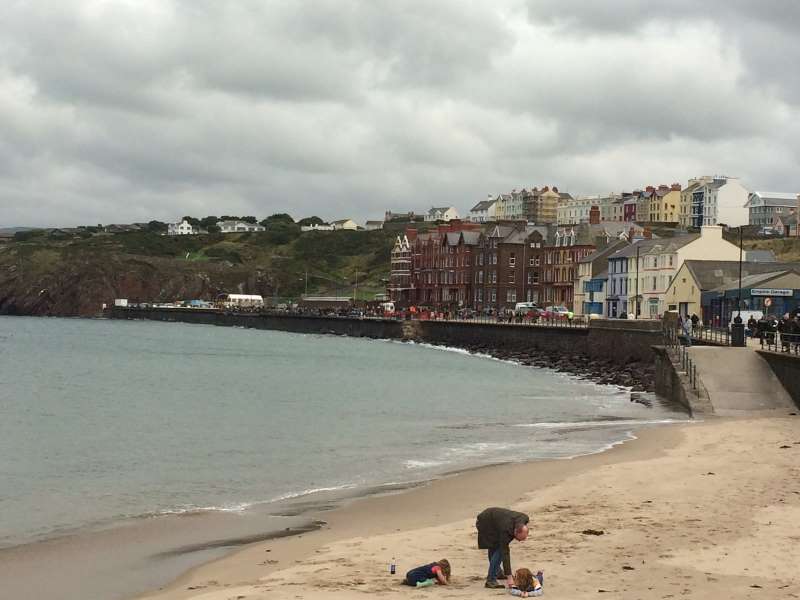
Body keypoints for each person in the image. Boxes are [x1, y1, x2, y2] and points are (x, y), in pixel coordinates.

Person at [476, 507, 530, 589]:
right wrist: (509, 577)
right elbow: (505, 554)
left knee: (496, 547)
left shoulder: (524, 518)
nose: (520, 541)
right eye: (520, 538)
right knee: (498, 550)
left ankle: (497, 572)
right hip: (485, 522)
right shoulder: (506, 531)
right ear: (515, 532)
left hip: (496, 520)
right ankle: (491, 580)